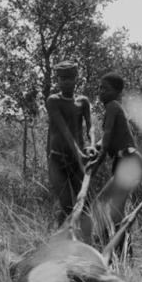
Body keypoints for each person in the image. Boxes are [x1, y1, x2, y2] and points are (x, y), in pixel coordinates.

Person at [87, 72, 142, 248]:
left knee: (100, 204)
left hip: (127, 161)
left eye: (106, 89)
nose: (101, 92)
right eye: (100, 88)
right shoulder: (114, 108)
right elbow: (106, 139)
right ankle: (121, 249)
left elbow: (106, 143)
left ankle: (106, 242)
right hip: (126, 162)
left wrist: (94, 167)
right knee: (116, 209)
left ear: (117, 92)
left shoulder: (113, 107)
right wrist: (94, 148)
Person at [46, 61, 95, 225]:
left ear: (76, 79)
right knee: (67, 206)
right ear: (57, 80)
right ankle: (61, 244)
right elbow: (65, 131)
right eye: (63, 78)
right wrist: (80, 154)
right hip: (58, 161)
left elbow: (90, 126)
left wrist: (92, 145)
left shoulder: (83, 101)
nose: (66, 81)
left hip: (77, 162)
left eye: (70, 78)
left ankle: (88, 244)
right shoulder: (53, 101)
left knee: (85, 205)